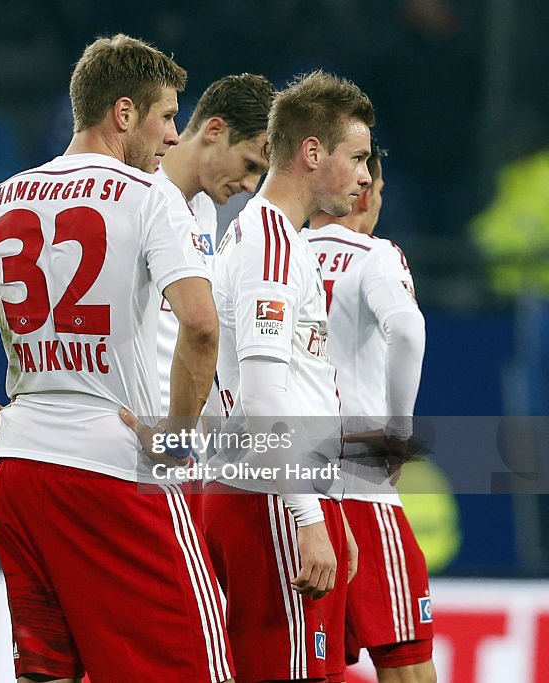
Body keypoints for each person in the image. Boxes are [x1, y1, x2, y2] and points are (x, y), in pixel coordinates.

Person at [0, 34, 234, 683]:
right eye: (167, 116)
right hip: (115, 464)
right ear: (123, 114)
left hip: (19, 469)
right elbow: (202, 325)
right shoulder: (152, 198)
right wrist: (179, 436)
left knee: (48, 672)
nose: (175, 137)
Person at [199, 71, 372, 683]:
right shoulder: (270, 247)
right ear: (311, 152)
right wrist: (306, 517)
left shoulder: (278, 242)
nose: (364, 177)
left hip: (276, 492)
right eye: (355, 157)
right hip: (268, 499)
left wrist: (330, 509)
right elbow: (265, 394)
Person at [307, 143, 435, 682]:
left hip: (289, 491)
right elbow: (407, 330)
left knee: (312, 664)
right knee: (406, 664)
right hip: (358, 484)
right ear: (362, 191)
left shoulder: (270, 251)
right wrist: (396, 433)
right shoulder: (372, 254)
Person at [156, 73, 275, 418]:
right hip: (131, 432)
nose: (252, 186)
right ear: (214, 131)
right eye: (250, 165)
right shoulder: (138, 196)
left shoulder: (205, 209)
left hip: (180, 439)